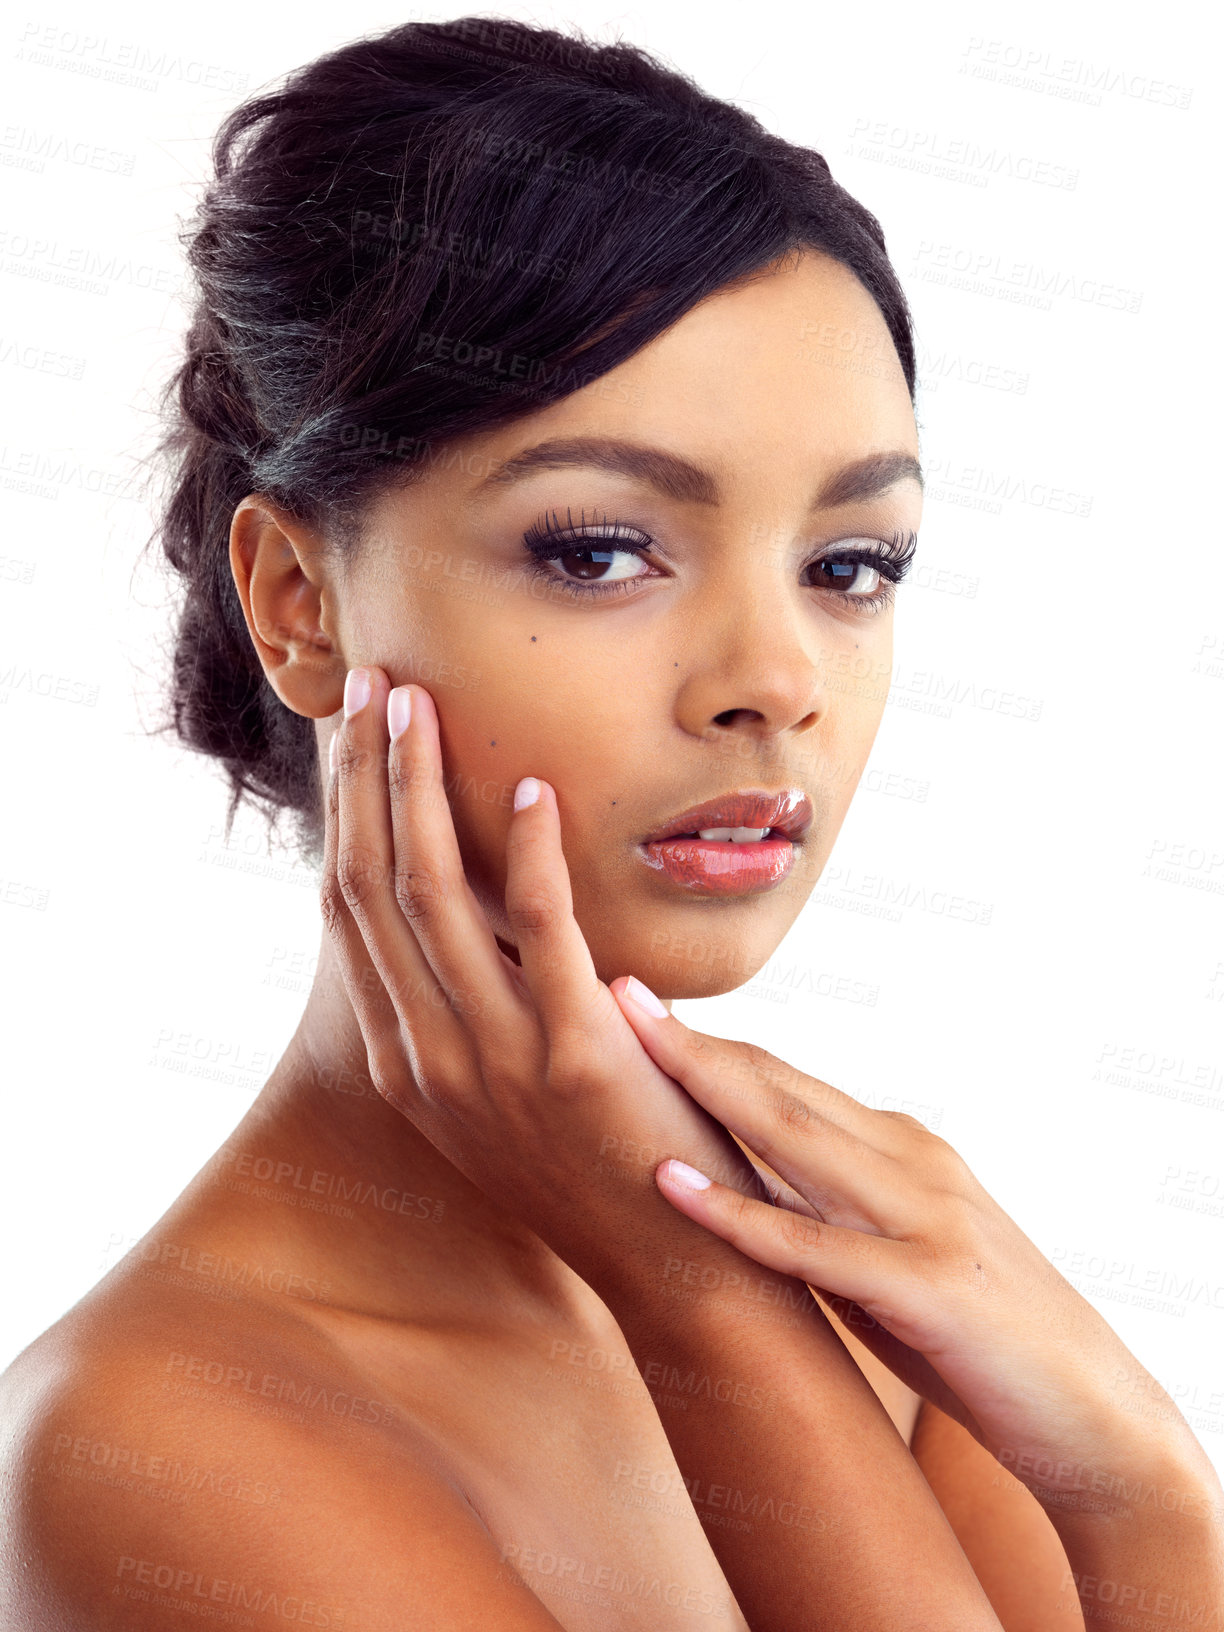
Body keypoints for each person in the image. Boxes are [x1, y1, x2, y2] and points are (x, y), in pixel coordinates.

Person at [1, 16, 1220, 1629]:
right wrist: (701, 1299)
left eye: (850, 564)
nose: (774, 681)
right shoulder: (156, 1447)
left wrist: (1139, 1480)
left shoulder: (892, 1309)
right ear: (299, 604)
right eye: (598, 549)